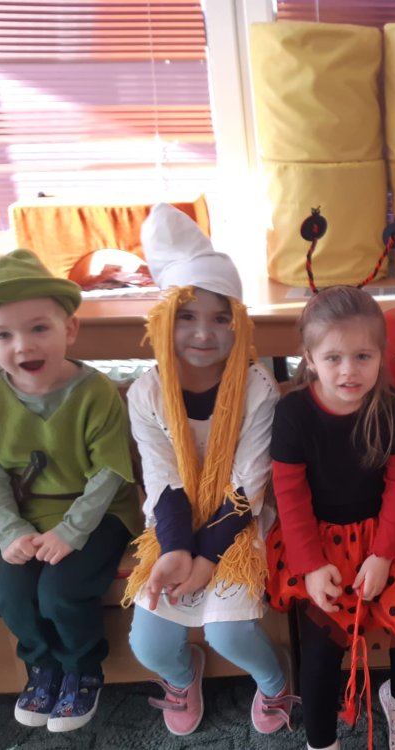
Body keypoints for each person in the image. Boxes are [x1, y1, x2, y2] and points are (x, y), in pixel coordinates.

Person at [122, 204, 294, 736]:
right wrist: (177, 550)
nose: (204, 332)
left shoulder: (257, 389)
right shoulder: (147, 392)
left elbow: (248, 486)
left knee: (230, 634)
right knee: (149, 643)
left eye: (221, 318)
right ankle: (182, 674)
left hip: (235, 523)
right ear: (164, 320)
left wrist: (207, 557)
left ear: (239, 324)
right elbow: (162, 479)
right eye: (187, 316)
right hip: (174, 522)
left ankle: (275, 680)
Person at [265, 285, 395, 750]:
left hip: (388, 532)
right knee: (320, 646)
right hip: (317, 540)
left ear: (380, 355)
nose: (349, 370)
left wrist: (384, 555)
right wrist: (311, 566)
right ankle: (321, 741)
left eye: (363, 357)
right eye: (333, 358)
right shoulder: (292, 414)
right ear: (309, 358)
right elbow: (290, 496)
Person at [0, 249, 140, 731]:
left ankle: (82, 667)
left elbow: (108, 473)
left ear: (69, 329)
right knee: (12, 593)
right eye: (3, 335)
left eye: (38, 328)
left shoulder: (94, 391)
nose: (23, 346)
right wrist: (10, 531)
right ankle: (43, 665)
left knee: (61, 592)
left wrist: (71, 532)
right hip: (27, 516)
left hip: (98, 513)